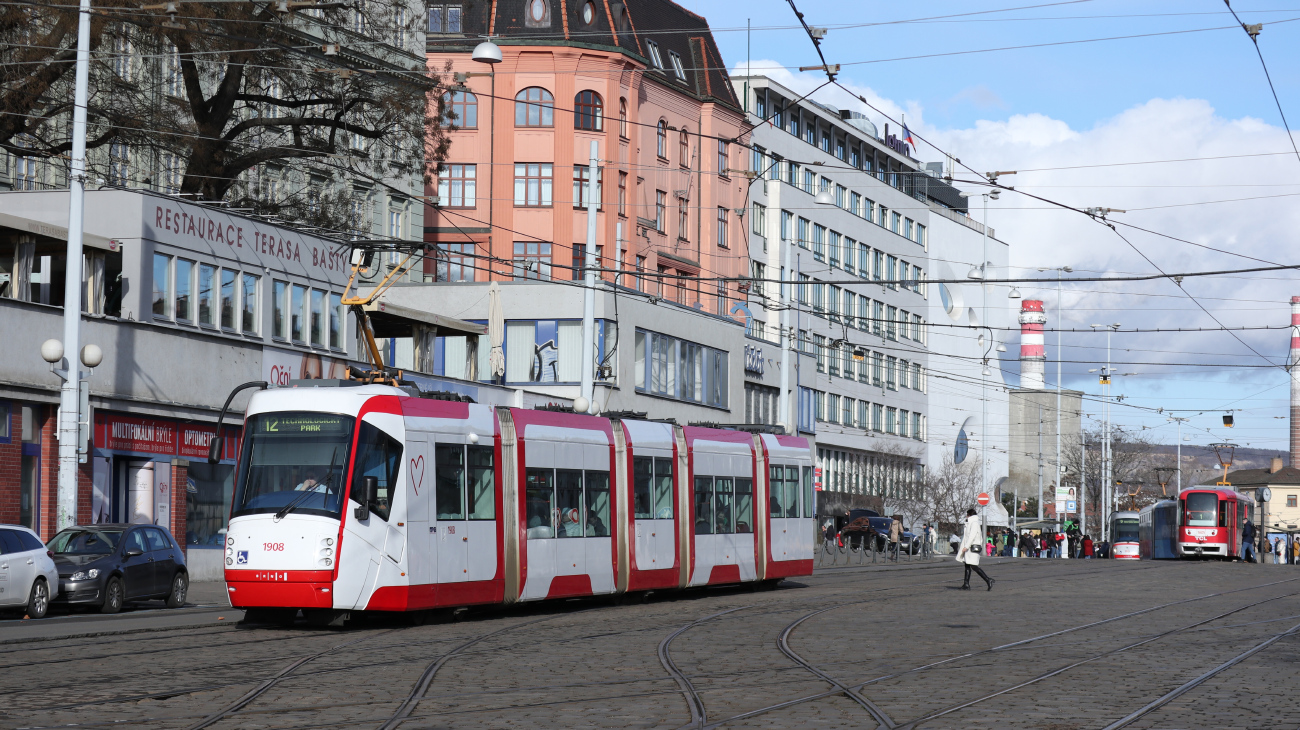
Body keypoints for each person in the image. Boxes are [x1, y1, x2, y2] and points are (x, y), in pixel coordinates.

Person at [956, 508, 994, 590]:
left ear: (969, 515)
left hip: (972, 548)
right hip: (970, 548)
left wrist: (966, 546)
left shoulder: (974, 523)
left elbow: (971, 536)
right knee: (967, 565)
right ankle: (966, 584)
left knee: (973, 566)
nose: (966, 516)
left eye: (967, 515)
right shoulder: (970, 523)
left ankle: (988, 580)